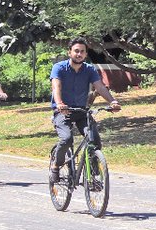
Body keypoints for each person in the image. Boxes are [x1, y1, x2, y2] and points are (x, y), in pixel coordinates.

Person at [50, 36, 121, 179]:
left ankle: (92, 176)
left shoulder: (89, 69)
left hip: (82, 111)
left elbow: (100, 87)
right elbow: (56, 87)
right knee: (66, 139)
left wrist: (112, 102)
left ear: (86, 54)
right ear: (69, 52)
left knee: (94, 140)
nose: (79, 54)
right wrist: (59, 104)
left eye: (82, 51)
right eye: (76, 51)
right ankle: (56, 166)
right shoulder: (59, 68)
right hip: (63, 112)